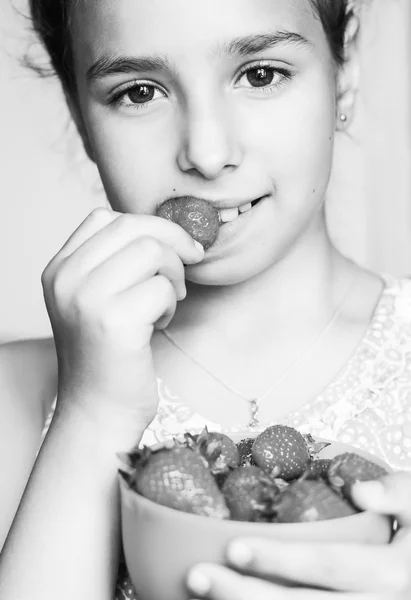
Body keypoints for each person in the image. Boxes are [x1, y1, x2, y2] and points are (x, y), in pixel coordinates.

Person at [0, 0, 410, 598]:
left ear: (342, 81)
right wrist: (92, 414)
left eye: (261, 75)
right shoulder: (15, 397)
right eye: (139, 92)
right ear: (80, 117)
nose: (208, 153)